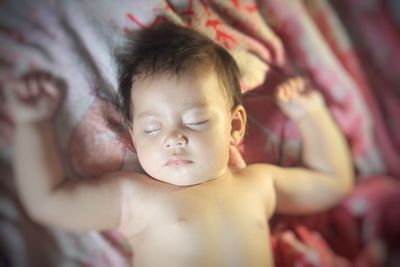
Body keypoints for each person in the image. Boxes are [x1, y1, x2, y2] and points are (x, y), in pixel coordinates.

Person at [5, 22, 354, 267]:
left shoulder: (257, 184)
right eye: (152, 128)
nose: (174, 138)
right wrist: (32, 125)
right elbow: (48, 202)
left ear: (234, 126)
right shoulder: (135, 197)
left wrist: (312, 114)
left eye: (195, 120)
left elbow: (332, 181)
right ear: (133, 135)